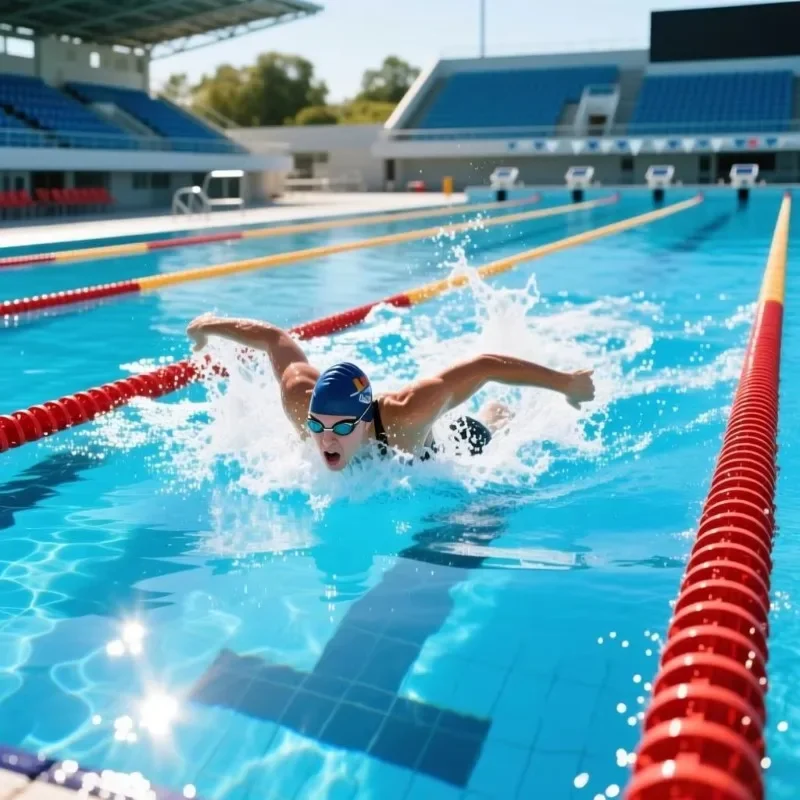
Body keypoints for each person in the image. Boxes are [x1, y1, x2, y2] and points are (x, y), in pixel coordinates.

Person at [186, 312, 596, 471]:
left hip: (438, 452)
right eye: (317, 425)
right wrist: (209, 326)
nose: (325, 439)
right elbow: (275, 339)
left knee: (482, 428)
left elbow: (484, 365)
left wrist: (565, 384)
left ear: (365, 420)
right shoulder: (299, 398)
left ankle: (496, 415)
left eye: (341, 428)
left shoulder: (406, 413)